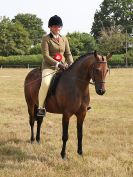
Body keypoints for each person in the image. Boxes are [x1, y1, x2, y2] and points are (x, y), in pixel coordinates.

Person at [37, 15, 74, 116]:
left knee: (75, 80)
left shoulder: (64, 39)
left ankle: (79, 104)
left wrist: (71, 64)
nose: (57, 28)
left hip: (63, 66)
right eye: (54, 26)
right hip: (49, 67)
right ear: (50, 27)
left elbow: (68, 53)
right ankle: (40, 107)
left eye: (58, 26)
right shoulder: (46, 39)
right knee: (45, 83)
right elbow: (46, 56)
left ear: (61, 27)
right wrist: (57, 64)